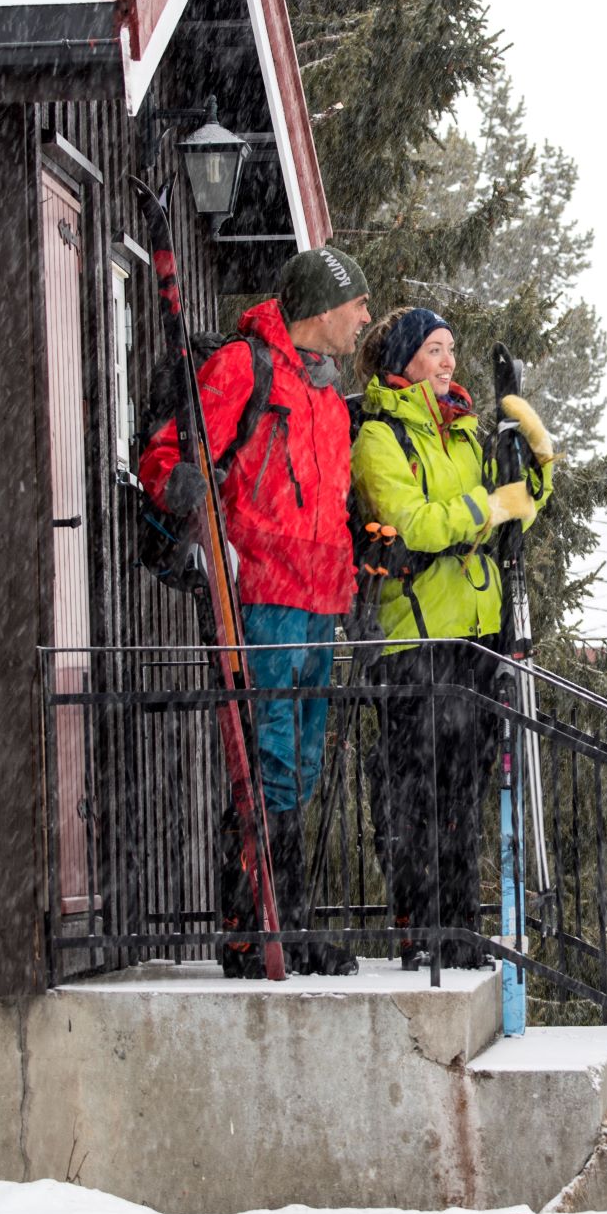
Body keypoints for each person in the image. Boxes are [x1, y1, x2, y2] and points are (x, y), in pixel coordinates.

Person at [139, 244, 371, 977]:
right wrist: (185, 495)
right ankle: (252, 928)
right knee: (264, 764)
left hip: (317, 601)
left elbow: (331, 510)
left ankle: (287, 925)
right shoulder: (245, 367)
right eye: (357, 303)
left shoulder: (329, 397)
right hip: (261, 594)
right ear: (321, 307)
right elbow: (170, 454)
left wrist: (350, 595)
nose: (365, 317)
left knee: (297, 769)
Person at [351, 306, 555, 969]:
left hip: (476, 635)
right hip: (415, 638)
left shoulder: (468, 433)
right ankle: (419, 931)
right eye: (437, 350)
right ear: (405, 359)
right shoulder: (381, 438)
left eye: (452, 350)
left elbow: (515, 503)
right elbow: (412, 524)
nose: (449, 362)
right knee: (418, 792)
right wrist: (483, 510)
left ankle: (461, 929)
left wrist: (534, 461)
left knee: (464, 793)